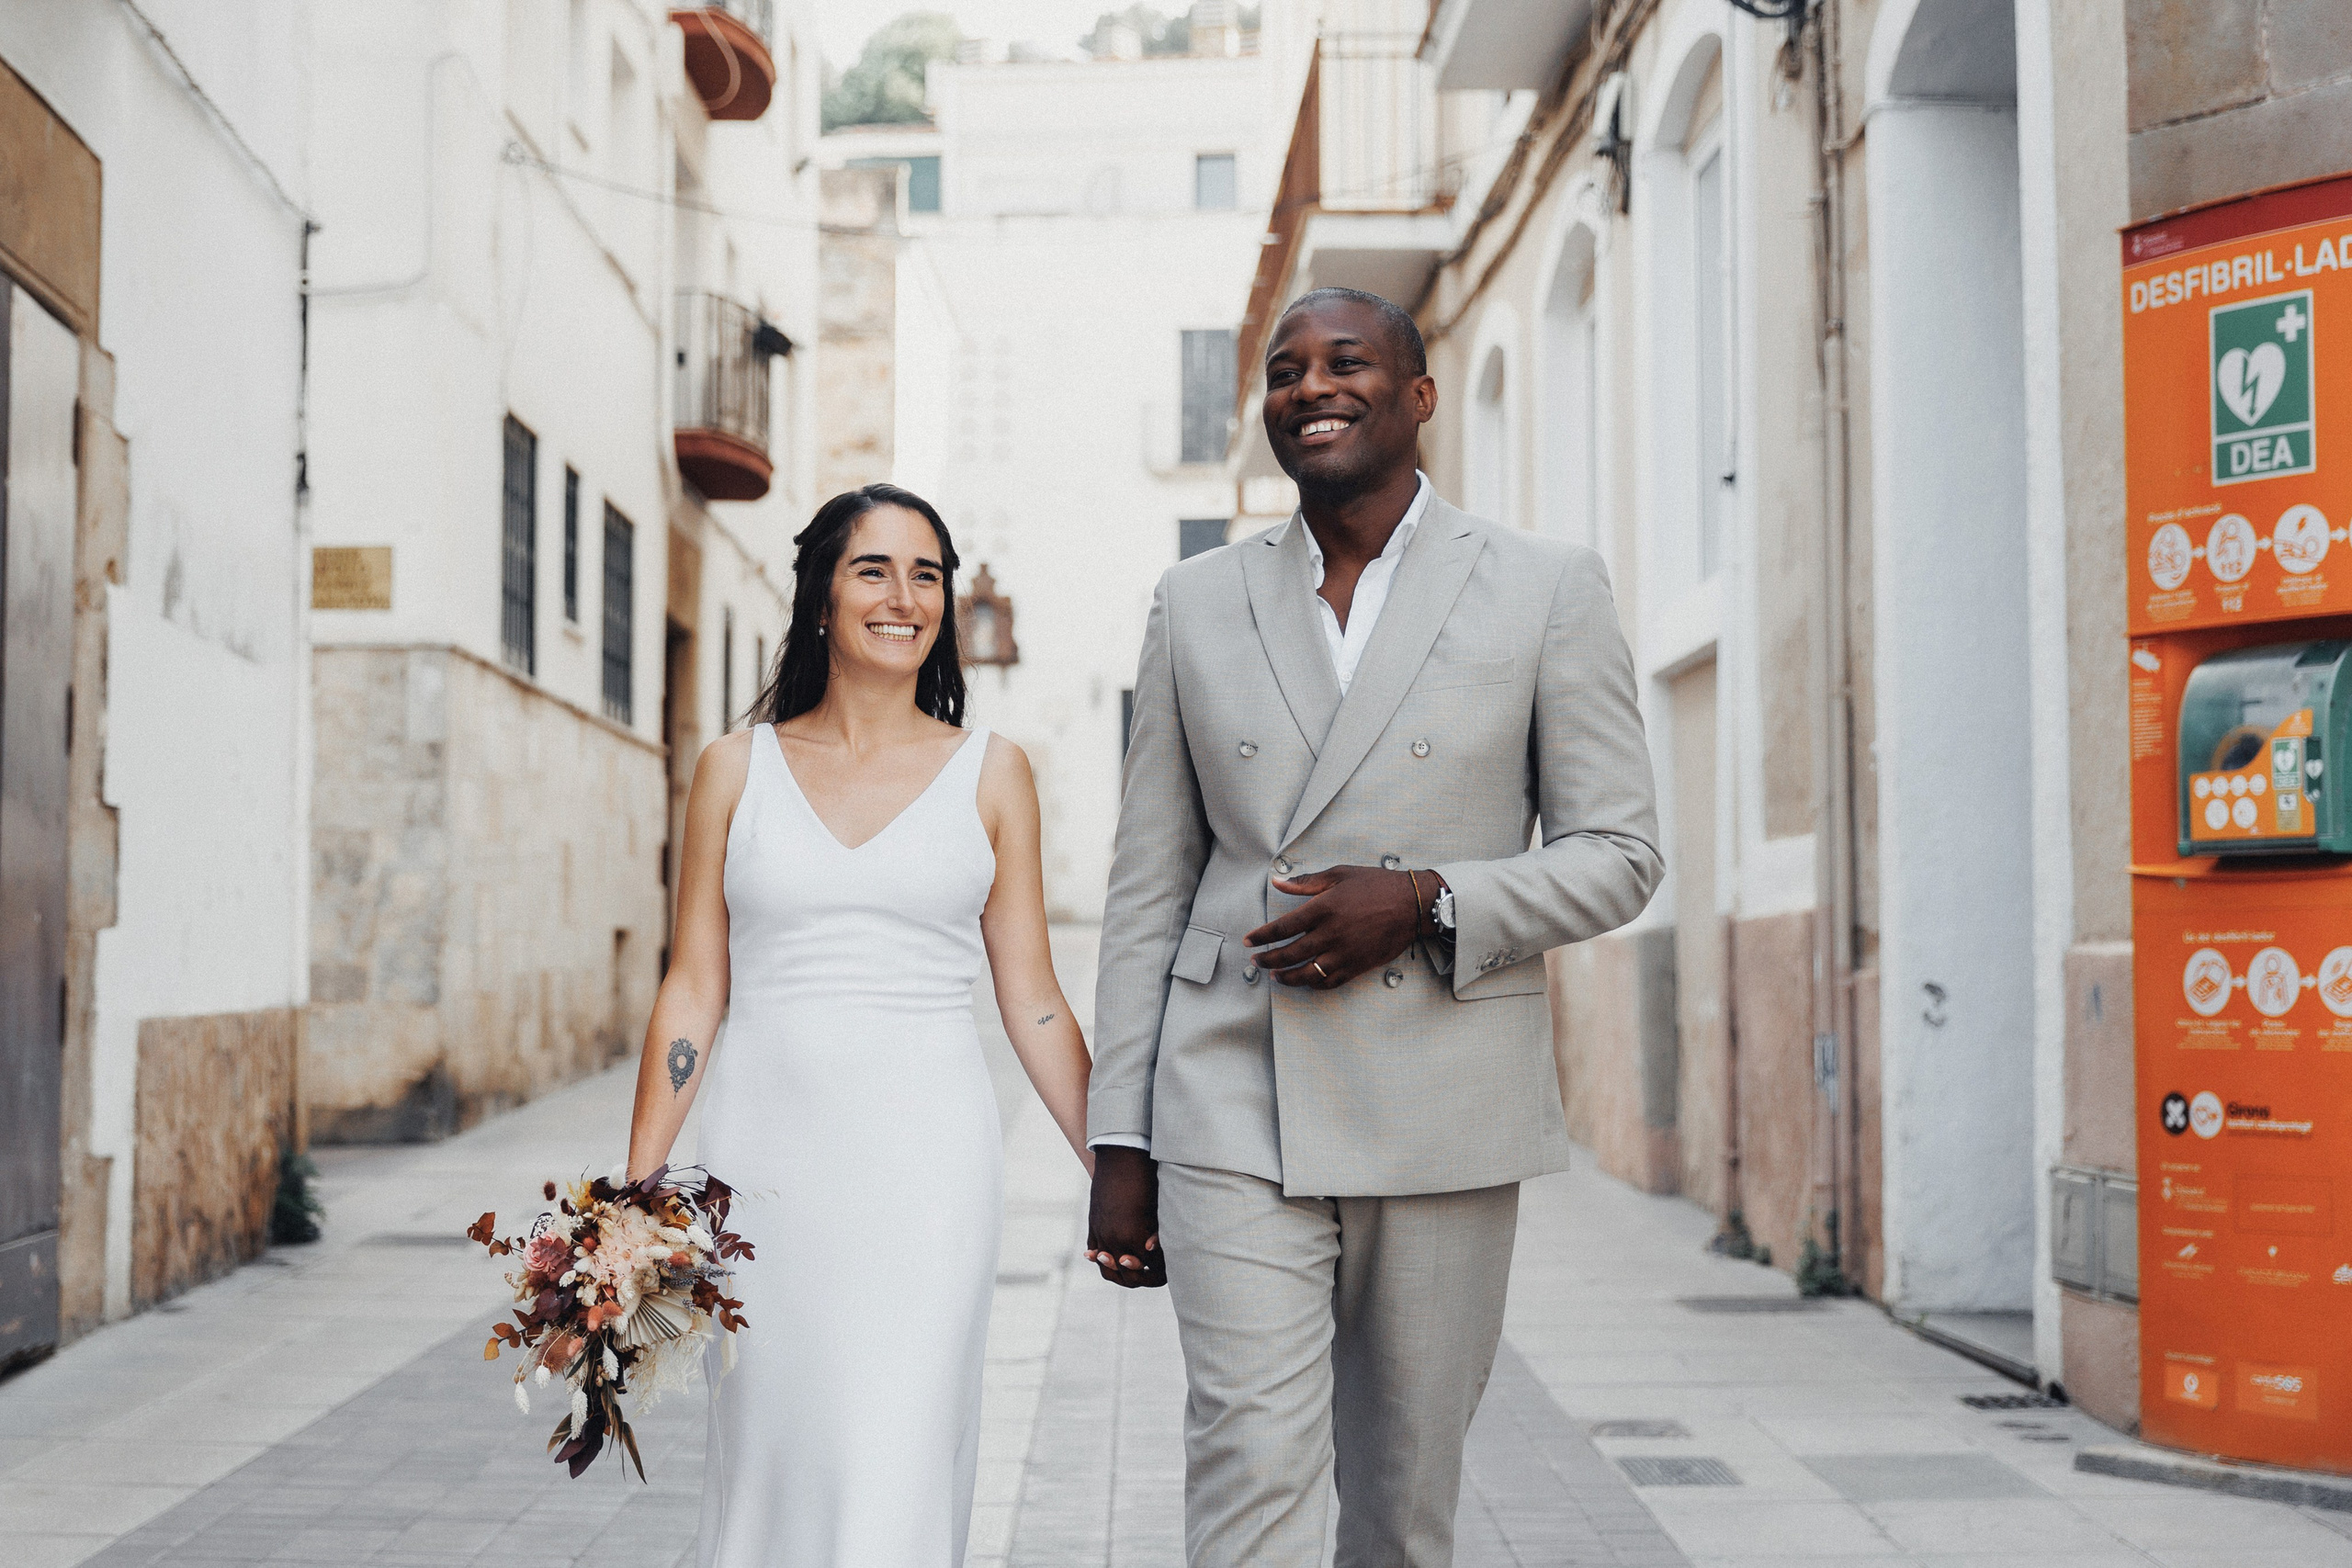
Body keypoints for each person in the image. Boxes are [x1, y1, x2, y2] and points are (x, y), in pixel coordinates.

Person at [1085, 288, 1662, 1566]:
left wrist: (1429, 898)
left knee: (1404, 1499)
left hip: (1444, 1093)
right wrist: (1119, 1136)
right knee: (1249, 1460)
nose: (1310, 386)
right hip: (1234, 1082)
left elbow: (1621, 852)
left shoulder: (1544, 588)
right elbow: (1146, 889)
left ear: (1418, 396)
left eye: (1346, 361)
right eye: (1285, 370)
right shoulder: (1195, 602)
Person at [624, 483, 1093, 1567]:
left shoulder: (994, 773)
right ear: (822, 597)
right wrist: (635, 1191)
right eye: (872, 569)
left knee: (900, 1446)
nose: (904, 596)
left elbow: (1033, 997)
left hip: (927, 1167)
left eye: (925, 573)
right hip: (762, 1169)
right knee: (774, 1450)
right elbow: (695, 984)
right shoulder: (733, 769)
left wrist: (1117, 1162)